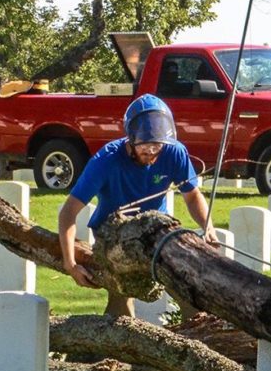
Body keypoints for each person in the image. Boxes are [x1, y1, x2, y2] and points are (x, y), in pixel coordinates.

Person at [59, 94, 217, 317]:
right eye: (145, 146)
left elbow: (192, 196)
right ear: (131, 140)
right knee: (122, 296)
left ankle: (197, 338)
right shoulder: (105, 161)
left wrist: (208, 226)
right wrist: (70, 263)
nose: (152, 151)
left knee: (186, 285)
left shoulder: (174, 152)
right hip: (112, 234)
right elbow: (68, 212)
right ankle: (119, 342)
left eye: (157, 145)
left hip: (157, 232)